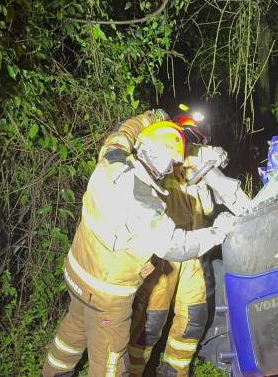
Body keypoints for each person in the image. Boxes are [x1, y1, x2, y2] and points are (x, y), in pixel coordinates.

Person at [41, 115, 235, 377]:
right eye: (170, 165)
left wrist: (152, 116)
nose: (170, 171)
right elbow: (174, 245)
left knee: (71, 334)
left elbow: (124, 132)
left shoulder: (112, 159)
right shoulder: (143, 204)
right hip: (106, 295)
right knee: (111, 363)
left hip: (77, 275)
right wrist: (218, 232)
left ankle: (52, 373)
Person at [128, 114, 240, 377]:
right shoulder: (162, 163)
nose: (191, 145)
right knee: (150, 323)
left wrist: (213, 167)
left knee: (194, 317)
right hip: (164, 256)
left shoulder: (199, 165)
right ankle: (133, 371)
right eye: (187, 138)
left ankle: (175, 371)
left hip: (193, 254)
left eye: (196, 140)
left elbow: (208, 207)